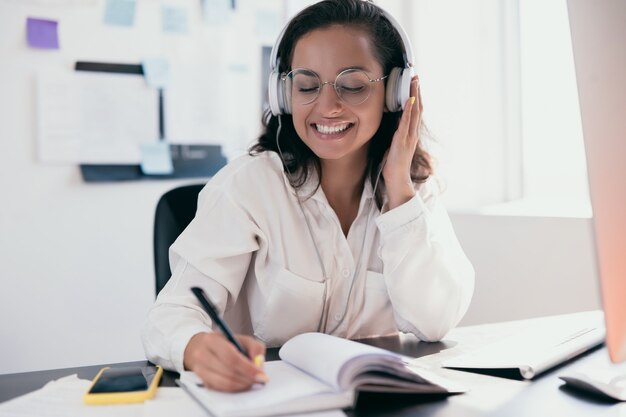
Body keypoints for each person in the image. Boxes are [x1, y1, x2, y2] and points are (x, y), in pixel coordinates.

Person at [142, 0, 474, 393]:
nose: (327, 106)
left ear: (397, 93)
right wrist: (197, 347)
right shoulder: (249, 186)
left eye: (352, 85)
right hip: (263, 401)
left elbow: (434, 322)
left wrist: (400, 191)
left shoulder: (414, 192)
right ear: (284, 94)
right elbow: (168, 316)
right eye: (307, 85)